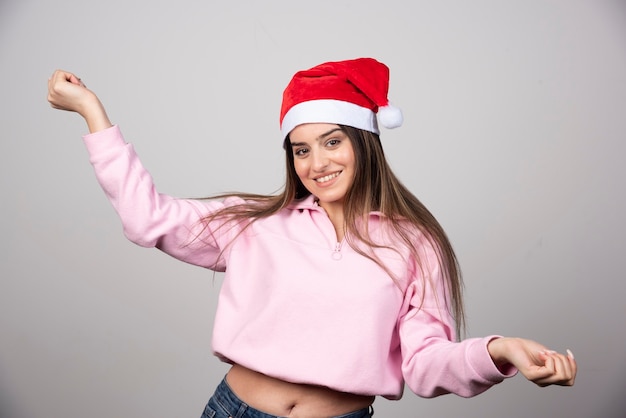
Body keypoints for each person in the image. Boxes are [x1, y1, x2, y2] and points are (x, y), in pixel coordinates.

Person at [47, 58, 576, 418]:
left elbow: (424, 364)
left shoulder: (416, 245)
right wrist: (94, 114)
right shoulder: (258, 223)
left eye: (332, 142)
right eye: (301, 150)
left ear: (364, 144)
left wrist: (499, 352)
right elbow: (148, 218)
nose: (317, 163)